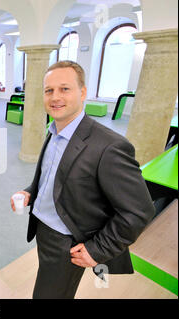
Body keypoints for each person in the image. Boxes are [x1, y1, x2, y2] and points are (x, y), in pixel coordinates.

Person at [10, 60, 155, 299]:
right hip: (43, 228)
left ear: (83, 92)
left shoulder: (109, 146)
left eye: (64, 89)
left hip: (68, 242)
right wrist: (30, 192)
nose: (55, 97)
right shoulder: (54, 131)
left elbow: (139, 211)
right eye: (49, 90)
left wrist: (97, 250)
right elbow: (53, 177)